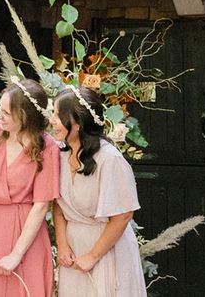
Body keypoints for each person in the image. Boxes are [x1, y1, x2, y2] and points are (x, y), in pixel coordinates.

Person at [0, 77, 59, 297]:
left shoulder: (47, 148)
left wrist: (16, 254)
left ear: (24, 116)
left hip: (27, 238)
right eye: (0, 109)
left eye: (6, 113)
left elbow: (41, 205)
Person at [50, 87, 146, 296]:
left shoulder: (109, 159)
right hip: (73, 250)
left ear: (78, 122)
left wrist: (93, 256)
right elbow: (58, 205)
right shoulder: (58, 155)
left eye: (58, 115)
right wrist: (62, 244)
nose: (52, 120)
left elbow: (123, 215)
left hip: (105, 249)